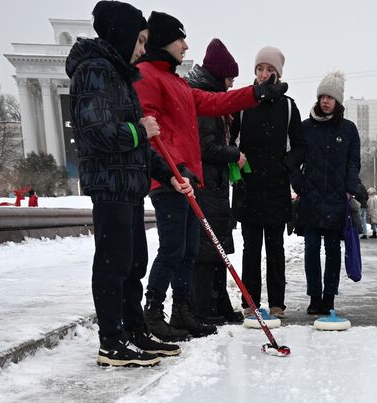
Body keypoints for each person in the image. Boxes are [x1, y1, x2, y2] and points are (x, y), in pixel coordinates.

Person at [134, 12, 286, 340]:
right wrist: (174, 168)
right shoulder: (147, 75)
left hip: (190, 183)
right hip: (170, 180)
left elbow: (217, 102)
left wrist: (256, 93)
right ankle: (154, 312)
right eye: (180, 39)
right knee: (172, 249)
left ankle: (183, 310)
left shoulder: (178, 82)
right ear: (163, 40)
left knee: (189, 250)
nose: (186, 45)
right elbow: (152, 131)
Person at [66, 0, 182, 367]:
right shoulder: (94, 71)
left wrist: (172, 175)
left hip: (130, 184)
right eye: (141, 40)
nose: (143, 48)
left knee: (134, 263)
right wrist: (138, 128)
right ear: (124, 34)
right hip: (110, 183)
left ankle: (134, 330)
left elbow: (141, 147)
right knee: (114, 263)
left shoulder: (119, 74)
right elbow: (94, 132)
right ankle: (111, 339)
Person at [233, 46, 305, 321]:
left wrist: (284, 165)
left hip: (276, 188)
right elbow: (230, 139)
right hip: (248, 188)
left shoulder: (288, 106)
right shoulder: (243, 102)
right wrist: (235, 157)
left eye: (270, 70)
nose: (264, 74)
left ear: (277, 74)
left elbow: (300, 146)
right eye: (260, 69)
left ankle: (277, 304)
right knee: (250, 249)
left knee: (275, 249)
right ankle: (250, 302)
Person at [185, 39, 245, 326]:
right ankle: (204, 307)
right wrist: (235, 154)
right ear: (220, 75)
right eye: (230, 78)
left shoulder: (212, 98)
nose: (231, 84)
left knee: (218, 248)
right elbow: (205, 148)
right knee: (208, 249)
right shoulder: (204, 101)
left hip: (216, 185)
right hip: (206, 184)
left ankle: (218, 302)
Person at [293, 70, 362, 316]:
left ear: (338, 101)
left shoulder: (349, 129)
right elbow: (293, 160)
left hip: (336, 201)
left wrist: (349, 189)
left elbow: (354, 163)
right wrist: (299, 185)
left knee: (333, 251)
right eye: (322, 96)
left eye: (330, 97)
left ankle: (329, 298)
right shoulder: (304, 128)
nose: (325, 101)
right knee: (311, 249)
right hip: (310, 200)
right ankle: (314, 297)